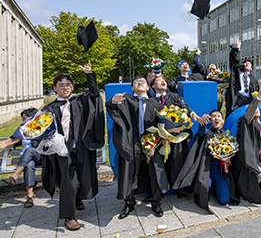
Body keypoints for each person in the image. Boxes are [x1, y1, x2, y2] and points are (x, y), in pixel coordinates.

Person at [42, 61, 105, 231]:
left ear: (72, 87)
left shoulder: (79, 102)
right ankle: (68, 217)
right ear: (55, 88)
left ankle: (77, 200)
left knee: (84, 178)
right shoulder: (49, 108)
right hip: (64, 151)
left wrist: (89, 75)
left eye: (68, 84)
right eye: (60, 85)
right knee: (69, 183)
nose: (65, 87)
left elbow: (94, 95)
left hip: (82, 148)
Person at [106, 76, 169, 219]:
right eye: (136, 82)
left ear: (148, 87)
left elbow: (163, 124)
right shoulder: (126, 100)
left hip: (152, 142)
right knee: (128, 173)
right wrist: (113, 101)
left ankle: (156, 203)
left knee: (156, 173)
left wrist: (163, 139)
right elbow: (111, 106)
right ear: (132, 88)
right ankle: (129, 203)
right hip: (131, 142)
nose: (140, 83)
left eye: (143, 82)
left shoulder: (155, 103)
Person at [173, 110, 239, 212]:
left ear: (222, 120)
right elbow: (201, 132)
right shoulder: (208, 133)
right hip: (207, 170)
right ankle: (210, 187)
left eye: (219, 116)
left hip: (219, 171)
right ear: (210, 120)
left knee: (224, 200)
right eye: (213, 116)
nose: (216, 118)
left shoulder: (226, 136)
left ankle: (215, 188)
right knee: (204, 189)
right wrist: (202, 122)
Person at [148, 76, 202, 198]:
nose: (163, 82)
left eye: (164, 80)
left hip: (176, 137)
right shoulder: (151, 100)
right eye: (159, 81)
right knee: (158, 164)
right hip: (159, 137)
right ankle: (158, 191)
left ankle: (179, 188)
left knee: (178, 161)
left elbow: (185, 108)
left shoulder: (174, 96)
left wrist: (194, 115)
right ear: (153, 86)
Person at [232, 79, 261, 204]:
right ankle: (246, 190)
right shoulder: (247, 123)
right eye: (253, 109)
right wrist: (258, 96)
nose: (256, 110)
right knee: (258, 174)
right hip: (248, 159)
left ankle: (252, 187)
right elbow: (249, 113)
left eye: (258, 109)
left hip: (260, 159)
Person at [1, 108, 39, 207]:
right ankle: (30, 196)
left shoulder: (42, 129)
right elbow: (6, 142)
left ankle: (14, 177)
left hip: (40, 157)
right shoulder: (23, 131)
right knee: (29, 164)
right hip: (26, 161)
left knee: (29, 151)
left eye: (24, 118)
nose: (23, 120)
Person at [225, 39, 259, 117]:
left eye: (249, 64)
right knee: (235, 116)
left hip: (248, 100)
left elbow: (255, 91)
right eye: (245, 63)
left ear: (251, 68)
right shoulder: (237, 73)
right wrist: (238, 49)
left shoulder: (253, 79)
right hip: (237, 98)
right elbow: (235, 62)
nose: (246, 64)